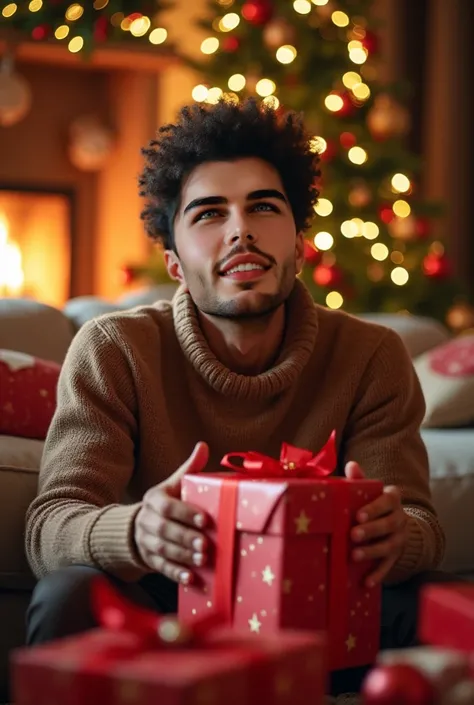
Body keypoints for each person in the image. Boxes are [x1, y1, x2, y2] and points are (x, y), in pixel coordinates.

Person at [25, 99, 454, 696]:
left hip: (319, 604)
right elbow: (50, 527)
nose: (240, 230)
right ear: (173, 261)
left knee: (429, 606)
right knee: (67, 592)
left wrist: (395, 534)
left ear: (300, 243)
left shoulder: (371, 356)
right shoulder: (114, 348)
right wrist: (135, 530)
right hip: (161, 596)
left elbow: (421, 526)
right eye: (208, 213)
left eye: (263, 207)